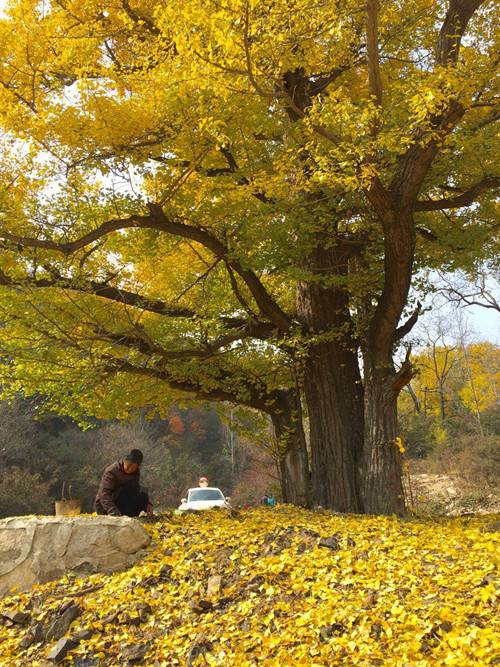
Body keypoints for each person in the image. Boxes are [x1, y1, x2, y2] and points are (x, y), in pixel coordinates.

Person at [95, 449, 153, 517]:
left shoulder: (136, 472)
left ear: (137, 466)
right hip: (105, 506)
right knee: (127, 489)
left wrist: (148, 503)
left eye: (133, 467)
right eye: (128, 464)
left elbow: (136, 489)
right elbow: (104, 494)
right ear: (124, 460)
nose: (129, 468)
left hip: (122, 502)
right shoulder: (111, 471)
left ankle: (132, 515)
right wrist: (113, 511)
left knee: (143, 495)